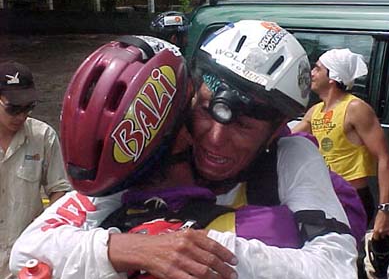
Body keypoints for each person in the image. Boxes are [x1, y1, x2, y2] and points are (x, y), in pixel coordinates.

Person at [11, 23, 358, 278]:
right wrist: (138, 248)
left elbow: (336, 266)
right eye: (206, 110)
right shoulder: (156, 149)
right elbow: (30, 248)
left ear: (272, 132)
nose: (215, 138)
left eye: (243, 126)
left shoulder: (291, 155)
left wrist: (201, 247)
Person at [292, 48, 389, 277]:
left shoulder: (355, 108)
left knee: (346, 263)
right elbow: (286, 140)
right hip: (325, 199)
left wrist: (384, 211)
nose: (312, 73)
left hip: (351, 200)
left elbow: (384, 158)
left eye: (318, 67)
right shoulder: (315, 111)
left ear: (333, 76)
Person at [0, 61, 71, 279]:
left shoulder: (43, 137)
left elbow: (60, 190)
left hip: (26, 261)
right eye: (14, 108)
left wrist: (44, 235)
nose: (21, 116)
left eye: (28, 107)